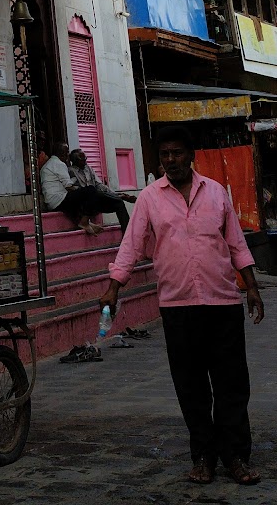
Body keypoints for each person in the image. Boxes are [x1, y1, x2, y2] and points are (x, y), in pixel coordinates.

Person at [97, 126, 265, 486]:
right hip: (178, 306)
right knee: (191, 387)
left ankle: (236, 456)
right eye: (164, 155)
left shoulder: (216, 193)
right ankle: (203, 456)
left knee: (232, 383)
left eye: (176, 153)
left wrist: (251, 287)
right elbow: (130, 246)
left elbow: (236, 243)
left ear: (191, 156)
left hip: (222, 302)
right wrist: (114, 289)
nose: (170, 160)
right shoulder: (149, 199)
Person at [39, 144, 107, 236]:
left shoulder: (49, 164)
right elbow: (68, 186)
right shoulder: (59, 164)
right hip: (59, 200)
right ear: (63, 153)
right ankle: (84, 222)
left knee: (78, 196)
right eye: (67, 152)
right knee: (91, 190)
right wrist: (82, 191)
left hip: (52, 202)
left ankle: (88, 223)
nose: (68, 155)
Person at [68, 147, 134, 231]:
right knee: (93, 191)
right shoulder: (70, 171)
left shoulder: (88, 169)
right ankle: (119, 196)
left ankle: (127, 234)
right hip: (85, 204)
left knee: (119, 203)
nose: (85, 162)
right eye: (82, 160)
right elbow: (75, 190)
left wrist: (112, 194)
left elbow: (99, 184)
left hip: (97, 200)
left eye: (85, 159)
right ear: (75, 161)